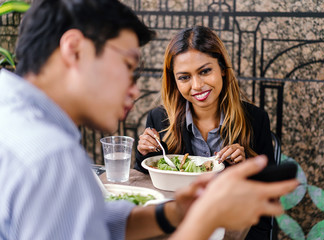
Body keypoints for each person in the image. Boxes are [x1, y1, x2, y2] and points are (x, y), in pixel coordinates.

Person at [0, 1, 298, 239]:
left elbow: (93, 221)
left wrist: (176, 213)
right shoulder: (51, 156)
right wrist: (206, 217)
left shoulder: (13, 118)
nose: (135, 88)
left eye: (205, 71)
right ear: (74, 49)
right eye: (128, 65)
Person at [135, 26, 276, 239]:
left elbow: (269, 196)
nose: (197, 85)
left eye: (205, 71)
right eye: (184, 77)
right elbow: (146, 189)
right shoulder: (160, 120)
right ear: (174, 80)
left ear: (222, 69)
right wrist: (144, 154)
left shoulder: (255, 120)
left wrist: (246, 166)